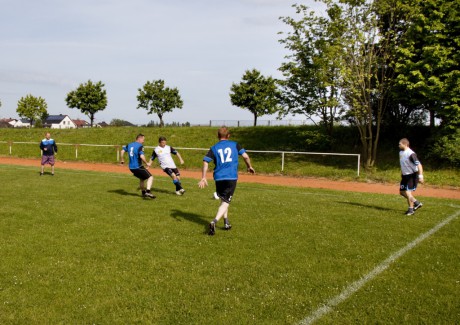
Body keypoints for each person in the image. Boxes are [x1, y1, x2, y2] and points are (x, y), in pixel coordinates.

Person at [198, 127, 255, 235]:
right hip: (231, 177)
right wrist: (249, 166)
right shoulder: (235, 144)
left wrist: (204, 177)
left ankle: (226, 222)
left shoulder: (214, 148)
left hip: (219, 177)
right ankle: (214, 221)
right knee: (226, 201)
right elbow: (246, 156)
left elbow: (205, 161)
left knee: (224, 199)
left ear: (218, 136)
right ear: (228, 136)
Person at [120, 134, 156, 199]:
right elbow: (141, 156)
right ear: (139, 138)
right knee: (150, 177)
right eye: (143, 139)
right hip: (138, 167)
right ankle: (148, 191)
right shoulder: (140, 146)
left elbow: (122, 151)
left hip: (131, 168)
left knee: (142, 179)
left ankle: (143, 193)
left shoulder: (129, 144)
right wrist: (147, 163)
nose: (143, 141)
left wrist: (122, 159)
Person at [399, 138, 424, 215]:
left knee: (408, 192)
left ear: (405, 144)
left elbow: (419, 165)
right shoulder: (401, 152)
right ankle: (416, 203)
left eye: (400, 144)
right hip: (404, 175)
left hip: (411, 175)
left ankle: (411, 209)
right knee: (402, 192)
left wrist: (420, 176)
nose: (398, 145)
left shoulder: (411, 154)